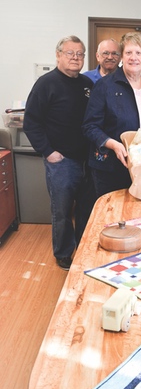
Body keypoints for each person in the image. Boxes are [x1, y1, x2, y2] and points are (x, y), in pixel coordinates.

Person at [23, 35, 94, 270]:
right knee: (62, 211)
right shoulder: (46, 83)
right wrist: (48, 152)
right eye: (70, 53)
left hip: (87, 160)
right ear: (58, 55)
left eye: (80, 54)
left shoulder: (87, 84)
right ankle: (63, 254)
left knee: (85, 209)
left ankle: (83, 250)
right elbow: (31, 122)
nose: (75, 58)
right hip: (61, 161)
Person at [82, 32, 141, 198]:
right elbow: (90, 126)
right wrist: (113, 144)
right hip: (111, 166)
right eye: (128, 53)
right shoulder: (105, 86)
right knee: (112, 215)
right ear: (122, 57)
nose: (133, 58)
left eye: (138, 53)